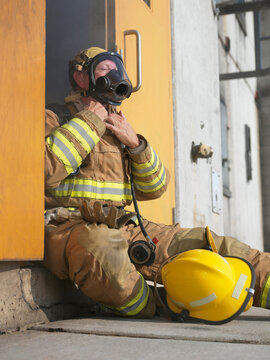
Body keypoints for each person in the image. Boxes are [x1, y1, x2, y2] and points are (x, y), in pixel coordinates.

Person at [44, 46, 270, 319]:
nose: (116, 75)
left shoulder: (117, 129)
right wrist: (91, 120)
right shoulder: (56, 118)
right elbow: (44, 169)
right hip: (71, 228)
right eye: (105, 68)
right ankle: (157, 304)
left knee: (208, 244)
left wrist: (136, 144)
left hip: (123, 226)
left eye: (119, 69)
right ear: (82, 78)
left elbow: (156, 187)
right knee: (100, 249)